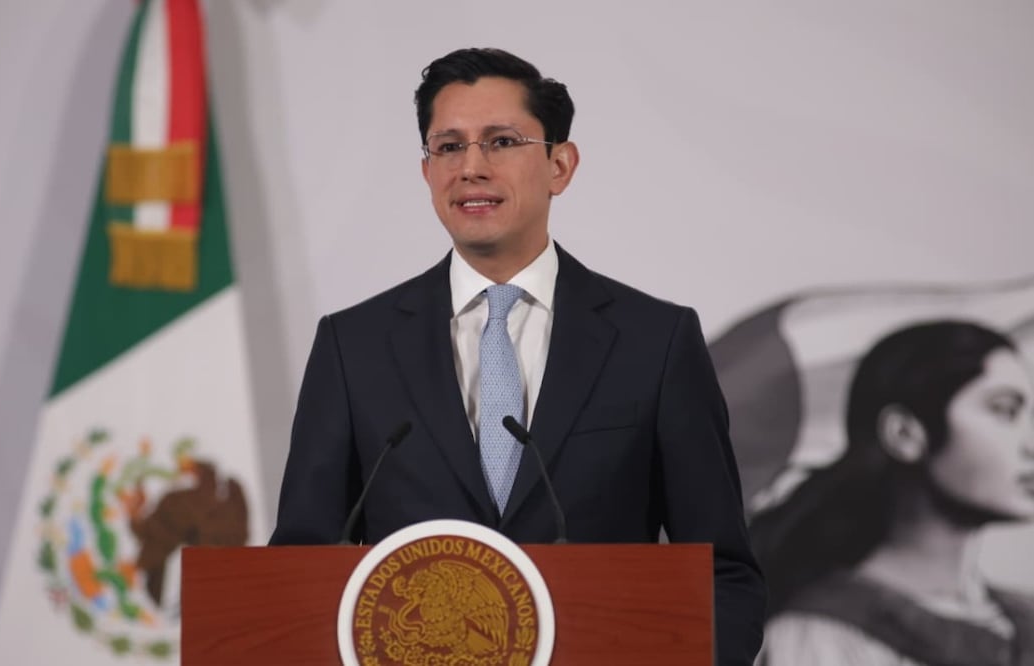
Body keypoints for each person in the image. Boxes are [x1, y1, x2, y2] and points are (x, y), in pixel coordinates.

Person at [270, 47, 766, 664]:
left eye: (501, 142)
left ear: (560, 165)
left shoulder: (655, 341)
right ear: (426, 171)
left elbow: (723, 574)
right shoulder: (355, 346)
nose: (471, 167)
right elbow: (298, 572)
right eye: (448, 147)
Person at [752, 321, 1034, 665]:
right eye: (1005, 410)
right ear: (904, 434)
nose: (1031, 443)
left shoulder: (1019, 619)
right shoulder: (820, 637)